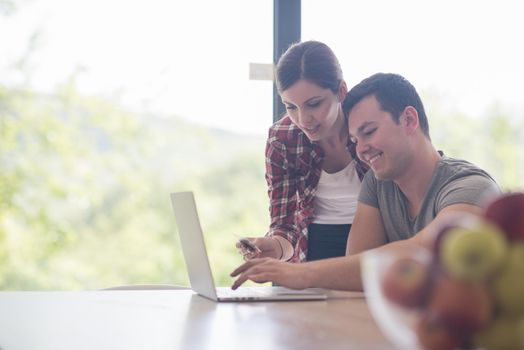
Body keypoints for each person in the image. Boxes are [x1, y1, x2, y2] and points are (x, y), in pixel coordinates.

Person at [231, 72, 501, 291]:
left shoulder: (470, 186)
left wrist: (301, 274)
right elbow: (358, 271)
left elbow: (430, 249)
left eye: (369, 132)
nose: (361, 150)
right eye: (355, 140)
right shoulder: (377, 183)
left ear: (408, 119)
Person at [237, 40, 369, 264]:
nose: (303, 119)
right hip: (311, 253)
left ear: (341, 91)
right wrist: (274, 250)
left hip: (374, 247)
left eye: (314, 104)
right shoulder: (283, 139)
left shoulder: (370, 126)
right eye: (291, 107)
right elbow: (285, 225)